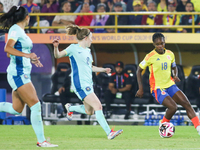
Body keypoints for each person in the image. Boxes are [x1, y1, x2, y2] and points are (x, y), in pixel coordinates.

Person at [0, 6, 58, 147]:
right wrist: (27, 55)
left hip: (22, 72)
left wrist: (30, 58)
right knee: (36, 105)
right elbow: (7, 49)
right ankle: (42, 141)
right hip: (18, 74)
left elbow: (11, 53)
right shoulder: (15, 29)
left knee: (16, 109)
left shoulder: (20, 31)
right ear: (27, 17)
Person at [52, 25, 123, 140]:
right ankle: (109, 132)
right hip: (80, 84)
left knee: (89, 111)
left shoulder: (88, 51)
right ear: (85, 37)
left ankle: (70, 109)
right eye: (91, 37)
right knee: (98, 106)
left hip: (88, 84)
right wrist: (56, 47)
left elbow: (90, 67)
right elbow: (57, 55)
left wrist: (103, 70)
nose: (92, 39)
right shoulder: (73, 48)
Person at [136, 32, 200, 135]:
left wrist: (175, 74)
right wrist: (140, 88)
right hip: (158, 88)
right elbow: (138, 70)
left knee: (186, 103)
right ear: (153, 44)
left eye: (162, 43)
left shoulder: (170, 54)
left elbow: (174, 66)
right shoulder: (150, 56)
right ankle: (163, 123)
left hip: (170, 85)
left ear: (165, 42)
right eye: (157, 44)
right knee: (173, 107)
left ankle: (198, 128)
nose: (160, 46)